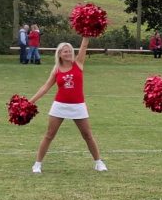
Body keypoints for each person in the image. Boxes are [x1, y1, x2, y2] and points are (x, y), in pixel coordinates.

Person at [27, 37, 107, 174]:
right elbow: (45, 87)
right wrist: (30, 102)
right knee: (49, 135)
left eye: (70, 51)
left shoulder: (78, 63)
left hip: (78, 106)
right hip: (59, 105)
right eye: (65, 51)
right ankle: (37, 164)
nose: (68, 53)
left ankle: (98, 162)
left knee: (87, 135)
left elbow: (84, 46)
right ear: (59, 54)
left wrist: (86, 35)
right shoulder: (56, 70)